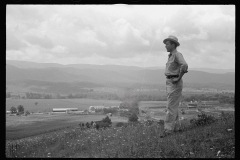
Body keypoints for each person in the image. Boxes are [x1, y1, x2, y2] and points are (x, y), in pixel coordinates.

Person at [160, 35, 188, 138]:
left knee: (170, 107)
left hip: (174, 82)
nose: (165, 46)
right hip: (170, 82)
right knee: (173, 106)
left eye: (167, 44)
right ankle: (177, 128)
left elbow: (184, 65)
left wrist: (179, 78)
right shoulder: (171, 55)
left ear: (173, 44)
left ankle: (168, 131)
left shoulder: (177, 54)